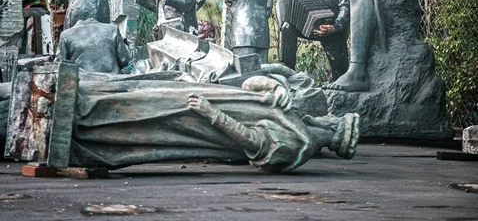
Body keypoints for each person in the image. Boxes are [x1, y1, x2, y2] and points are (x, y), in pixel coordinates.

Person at [67, 74, 359, 171]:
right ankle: (87, 101)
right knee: (152, 92)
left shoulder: (298, 146)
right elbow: (248, 83)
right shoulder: (297, 116)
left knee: (153, 116)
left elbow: (253, 143)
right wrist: (270, 84)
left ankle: (87, 128)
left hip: (205, 125)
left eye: (333, 120)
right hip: (214, 97)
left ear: (333, 131)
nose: (326, 116)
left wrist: (211, 114)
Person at [277, 0, 349, 80]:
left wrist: (335, 26)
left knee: (341, 72)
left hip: (332, 27)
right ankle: (287, 72)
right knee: (287, 26)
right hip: (315, 24)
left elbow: (346, 6)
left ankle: (342, 86)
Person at [56, 17, 130, 74]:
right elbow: (123, 60)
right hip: (112, 81)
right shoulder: (113, 29)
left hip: (82, 85)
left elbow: (60, 67)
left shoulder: (66, 35)